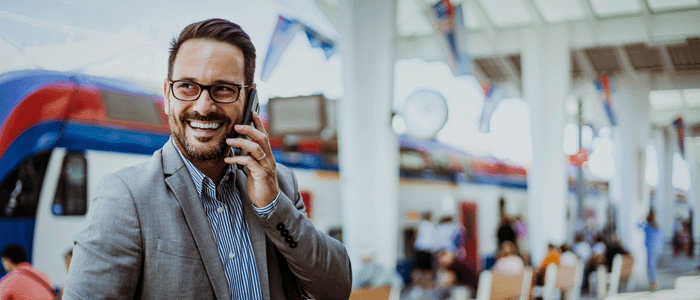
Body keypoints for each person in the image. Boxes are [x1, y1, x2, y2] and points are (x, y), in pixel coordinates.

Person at [64, 19, 351, 300]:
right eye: (187, 86)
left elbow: (336, 289)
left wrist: (273, 208)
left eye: (223, 89)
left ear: (249, 100)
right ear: (167, 95)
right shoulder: (126, 196)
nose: (203, 107)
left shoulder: (280, 184)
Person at [639, 209, 660, 291]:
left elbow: (637, 225)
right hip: (655, 249)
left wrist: (642, 217)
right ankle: (653, 283)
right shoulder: (655, 225)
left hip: (650, 249)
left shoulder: (648, 225)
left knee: (650, 267)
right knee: (652, 266)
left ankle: (653, 284)